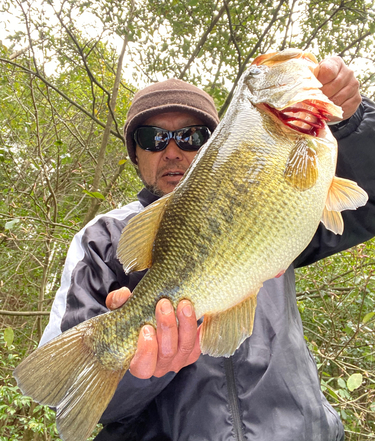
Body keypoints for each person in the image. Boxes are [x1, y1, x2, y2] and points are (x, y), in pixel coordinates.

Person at [40, 62, 375, 441]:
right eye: (152, 138)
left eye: (192, 135)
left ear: (218, 145)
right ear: (135, 153)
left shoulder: (275, 205)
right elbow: (72, 395)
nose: (171, 151)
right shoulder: (102, 238)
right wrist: (140, 372)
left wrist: (353, 122)